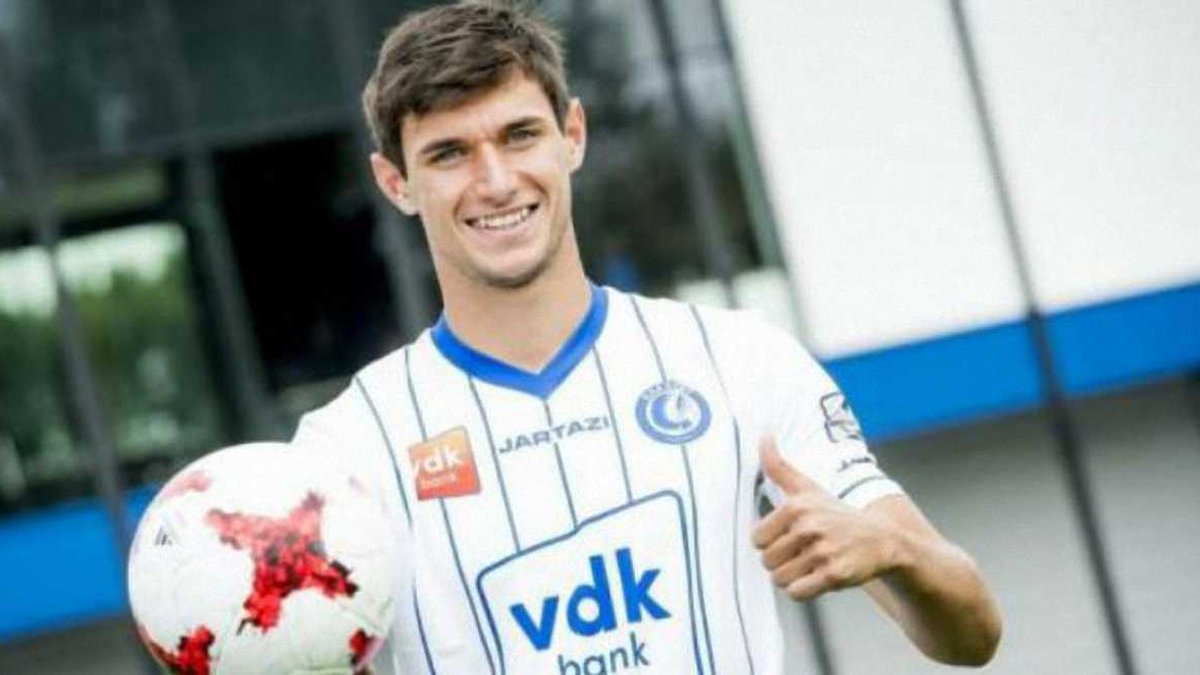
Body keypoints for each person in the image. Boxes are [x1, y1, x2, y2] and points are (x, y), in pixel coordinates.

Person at [293, 2, 1002, 673]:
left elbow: (973, 632)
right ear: (396, 182)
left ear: (573, 135)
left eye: (520, 135)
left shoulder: (738, 358)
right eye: (450, 153)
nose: (496, 181)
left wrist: (893, 549)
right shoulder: (345, 453)